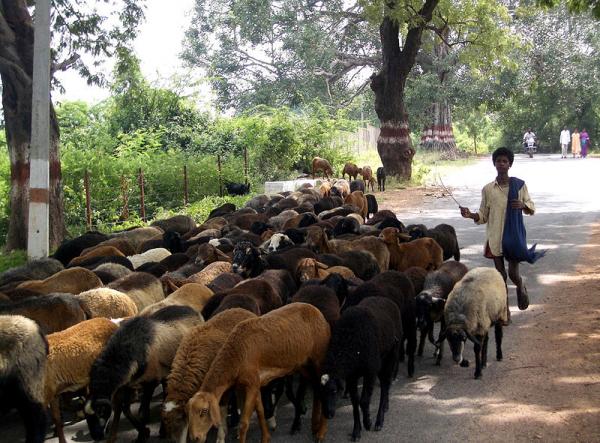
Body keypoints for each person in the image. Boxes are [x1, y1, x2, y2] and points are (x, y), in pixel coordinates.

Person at [459, 147, 544, 322]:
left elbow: (531, 206)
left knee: (513, 274)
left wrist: (523, 206)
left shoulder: (519, 185)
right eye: (498, 161)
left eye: (505, 161)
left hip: (513, 237)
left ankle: (520, 286)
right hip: (495, 237)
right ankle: (505, 312)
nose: (501, 164)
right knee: (501, 277)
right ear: (494, 164)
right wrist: (470, 215)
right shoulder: (488, 189)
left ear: (510, 164)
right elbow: (483, 215)